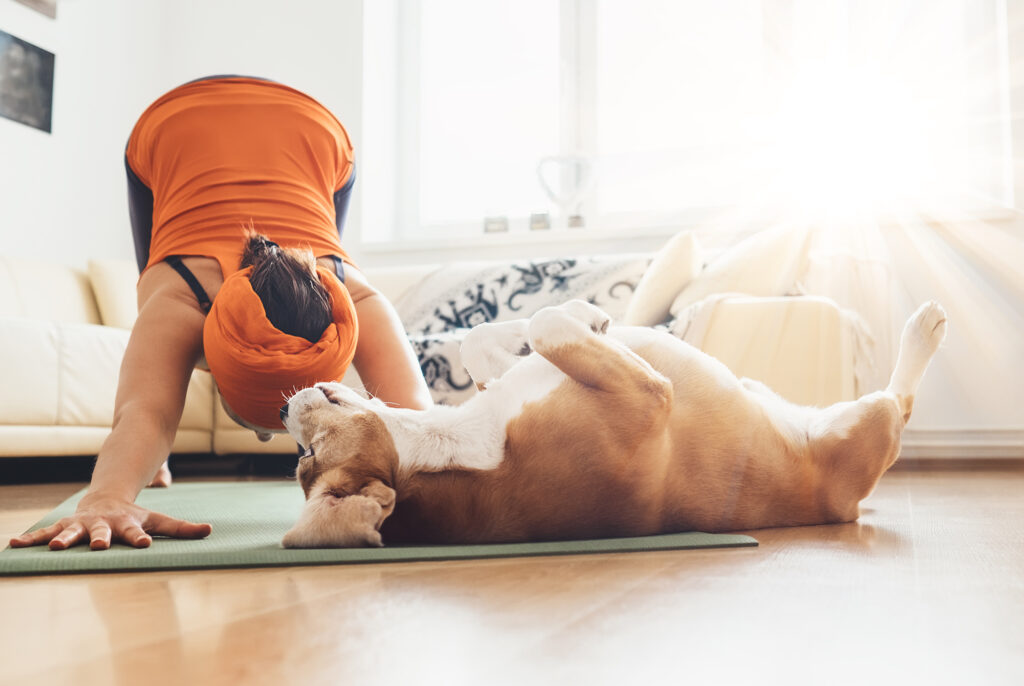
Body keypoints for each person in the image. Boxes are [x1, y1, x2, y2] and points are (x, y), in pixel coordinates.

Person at [9, 76, 432, 552]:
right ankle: (145, 461)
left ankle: (146, 459)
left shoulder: (353, 301)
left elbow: (419, 423)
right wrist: (105, 497)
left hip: (314, 134)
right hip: (174, 126)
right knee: (152, 284)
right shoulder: (181, 297)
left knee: (158, 319)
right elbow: (146, 413)